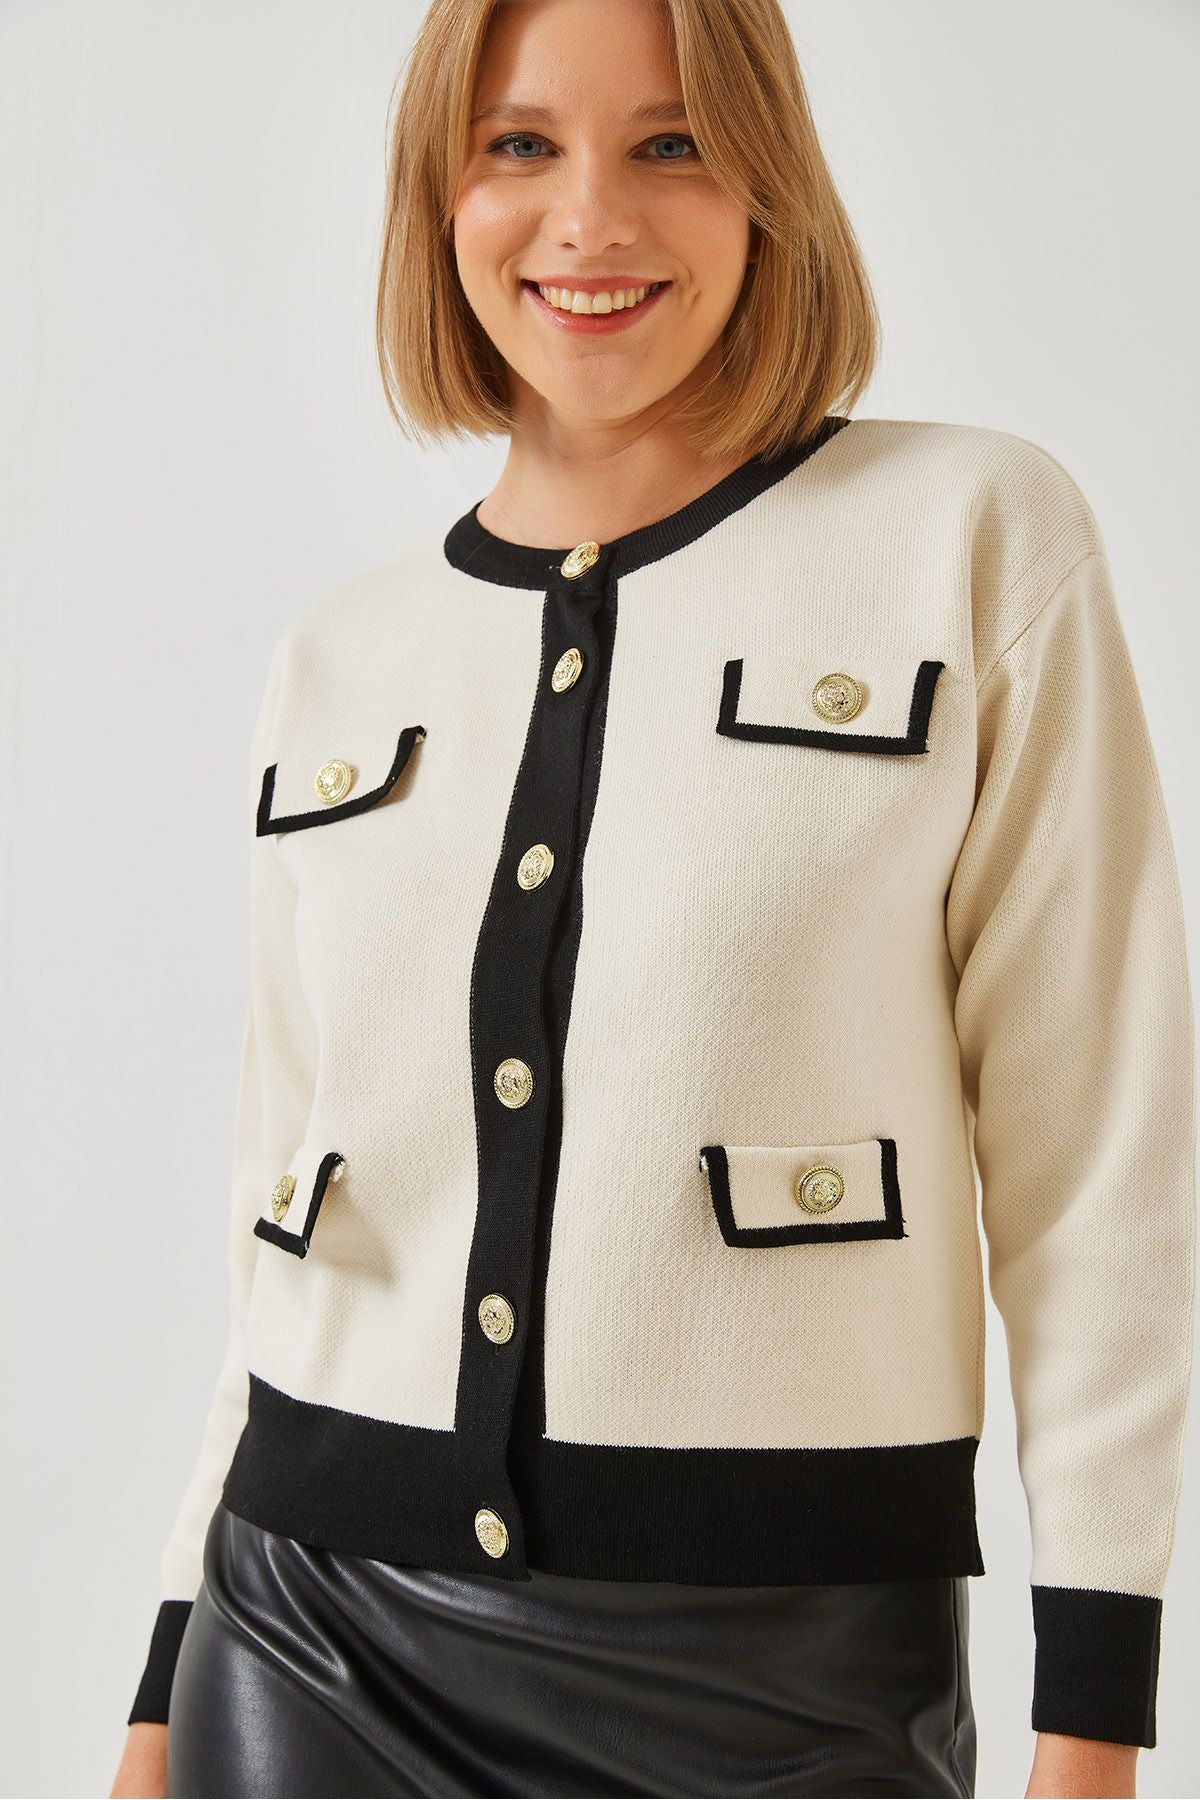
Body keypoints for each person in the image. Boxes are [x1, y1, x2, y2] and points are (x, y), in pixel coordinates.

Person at [111, 0, 1196, 1796]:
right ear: (440, 194)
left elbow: (1101, 1175)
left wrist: (1094, 1721)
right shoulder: (341, 657)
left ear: (770, 179)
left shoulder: (973, 538)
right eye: (520, 145)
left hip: (788, 1675)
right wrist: (165, 1686)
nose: (590, 219)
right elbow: (274, 1228)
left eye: (672, 143)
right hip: (307, 1647)